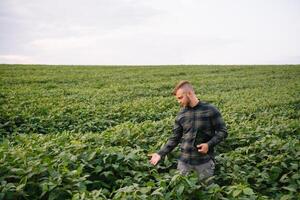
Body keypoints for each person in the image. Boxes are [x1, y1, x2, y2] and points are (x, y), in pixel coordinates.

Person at [150, 80, 228, 182]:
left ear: (189, 93)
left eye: (180, 98)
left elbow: (223, 131)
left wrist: (209, 145)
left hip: (204, 163)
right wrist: (160, 153)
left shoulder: (210, 110)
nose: (178, 101)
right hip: (184, 163)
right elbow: (175, 138)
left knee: (206, 192)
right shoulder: (181, 114)